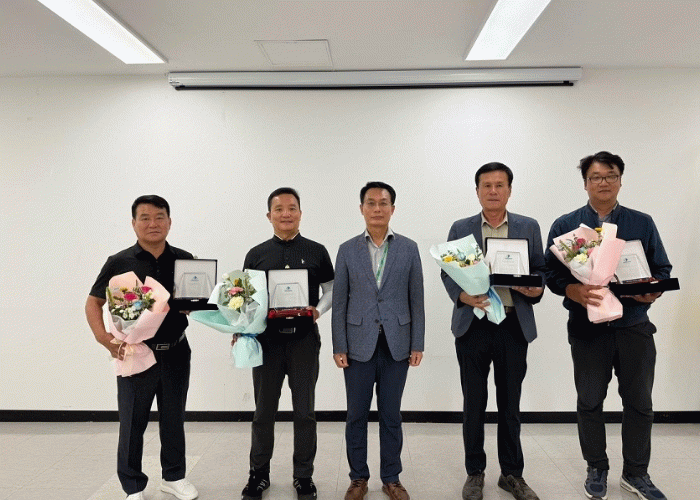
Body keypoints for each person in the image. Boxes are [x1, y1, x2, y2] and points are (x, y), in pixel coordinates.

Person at [544, 151, 672, 500]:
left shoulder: (642, 223)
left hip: (634, 325)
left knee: (640, 403)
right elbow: (550, 273)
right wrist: (572, 289)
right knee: (589, 401)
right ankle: (596, 467)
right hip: (587, 328)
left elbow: (661, 269)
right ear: (585, 183)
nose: (603, 182)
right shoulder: (566, 226)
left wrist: (653, 290)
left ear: (620, 180)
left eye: (610, 176)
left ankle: (636, 473)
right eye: (596, 177)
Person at [441, 163, 545, 500]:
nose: (493, 191)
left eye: (500, 185)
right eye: (486, 185)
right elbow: (447, 272)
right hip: (474, 324)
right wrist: (461, 295)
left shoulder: (528, 226)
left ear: (510, 190)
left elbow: (540, 270)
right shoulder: (462, 228)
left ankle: (512, 474)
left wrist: (536, 288)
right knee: (474, 402)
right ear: (477, 191)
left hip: (513, 325)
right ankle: (475, 472)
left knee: (510, 404)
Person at [85, 195, 198, 500]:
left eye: (160, 217)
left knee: (174, 418)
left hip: (176, 351)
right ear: (133, 223)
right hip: (136, 353)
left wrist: (198, 306)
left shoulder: (186, 260)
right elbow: (94, 302)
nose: (153, 224)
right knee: (132, 422)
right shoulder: (119, 262)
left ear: (169, 222)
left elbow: (197, 301)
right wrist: (105, 339)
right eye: (145, 218)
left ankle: (174, 477)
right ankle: (132, 486)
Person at [332, 181, 425, 500]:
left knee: (391, 415)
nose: (377, 209)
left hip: (397, 344)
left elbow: (416, 299)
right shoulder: (347, 249)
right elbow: (339, 301)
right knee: (356, 415)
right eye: (370, 203)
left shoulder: (409, 248)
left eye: (383, 203)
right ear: (361, 209)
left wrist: (417, 342)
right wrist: (339, 345)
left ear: (392, 209)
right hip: (357, 344)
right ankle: (358, 478)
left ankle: (391, 477)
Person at [240, 187, 334, 500]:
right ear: (269, 215)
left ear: (300, 213)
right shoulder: (256, 254)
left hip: (304, 342)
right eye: (279, 209)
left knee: (305, 412)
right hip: (266, 343)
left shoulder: (317, 251)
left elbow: (332, 289)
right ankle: (258, 474)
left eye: (292, 208)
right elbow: (245, 299)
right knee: (263, 412)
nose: (286, 214)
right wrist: (241, 327)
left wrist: (317, 311)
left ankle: (303, 476)